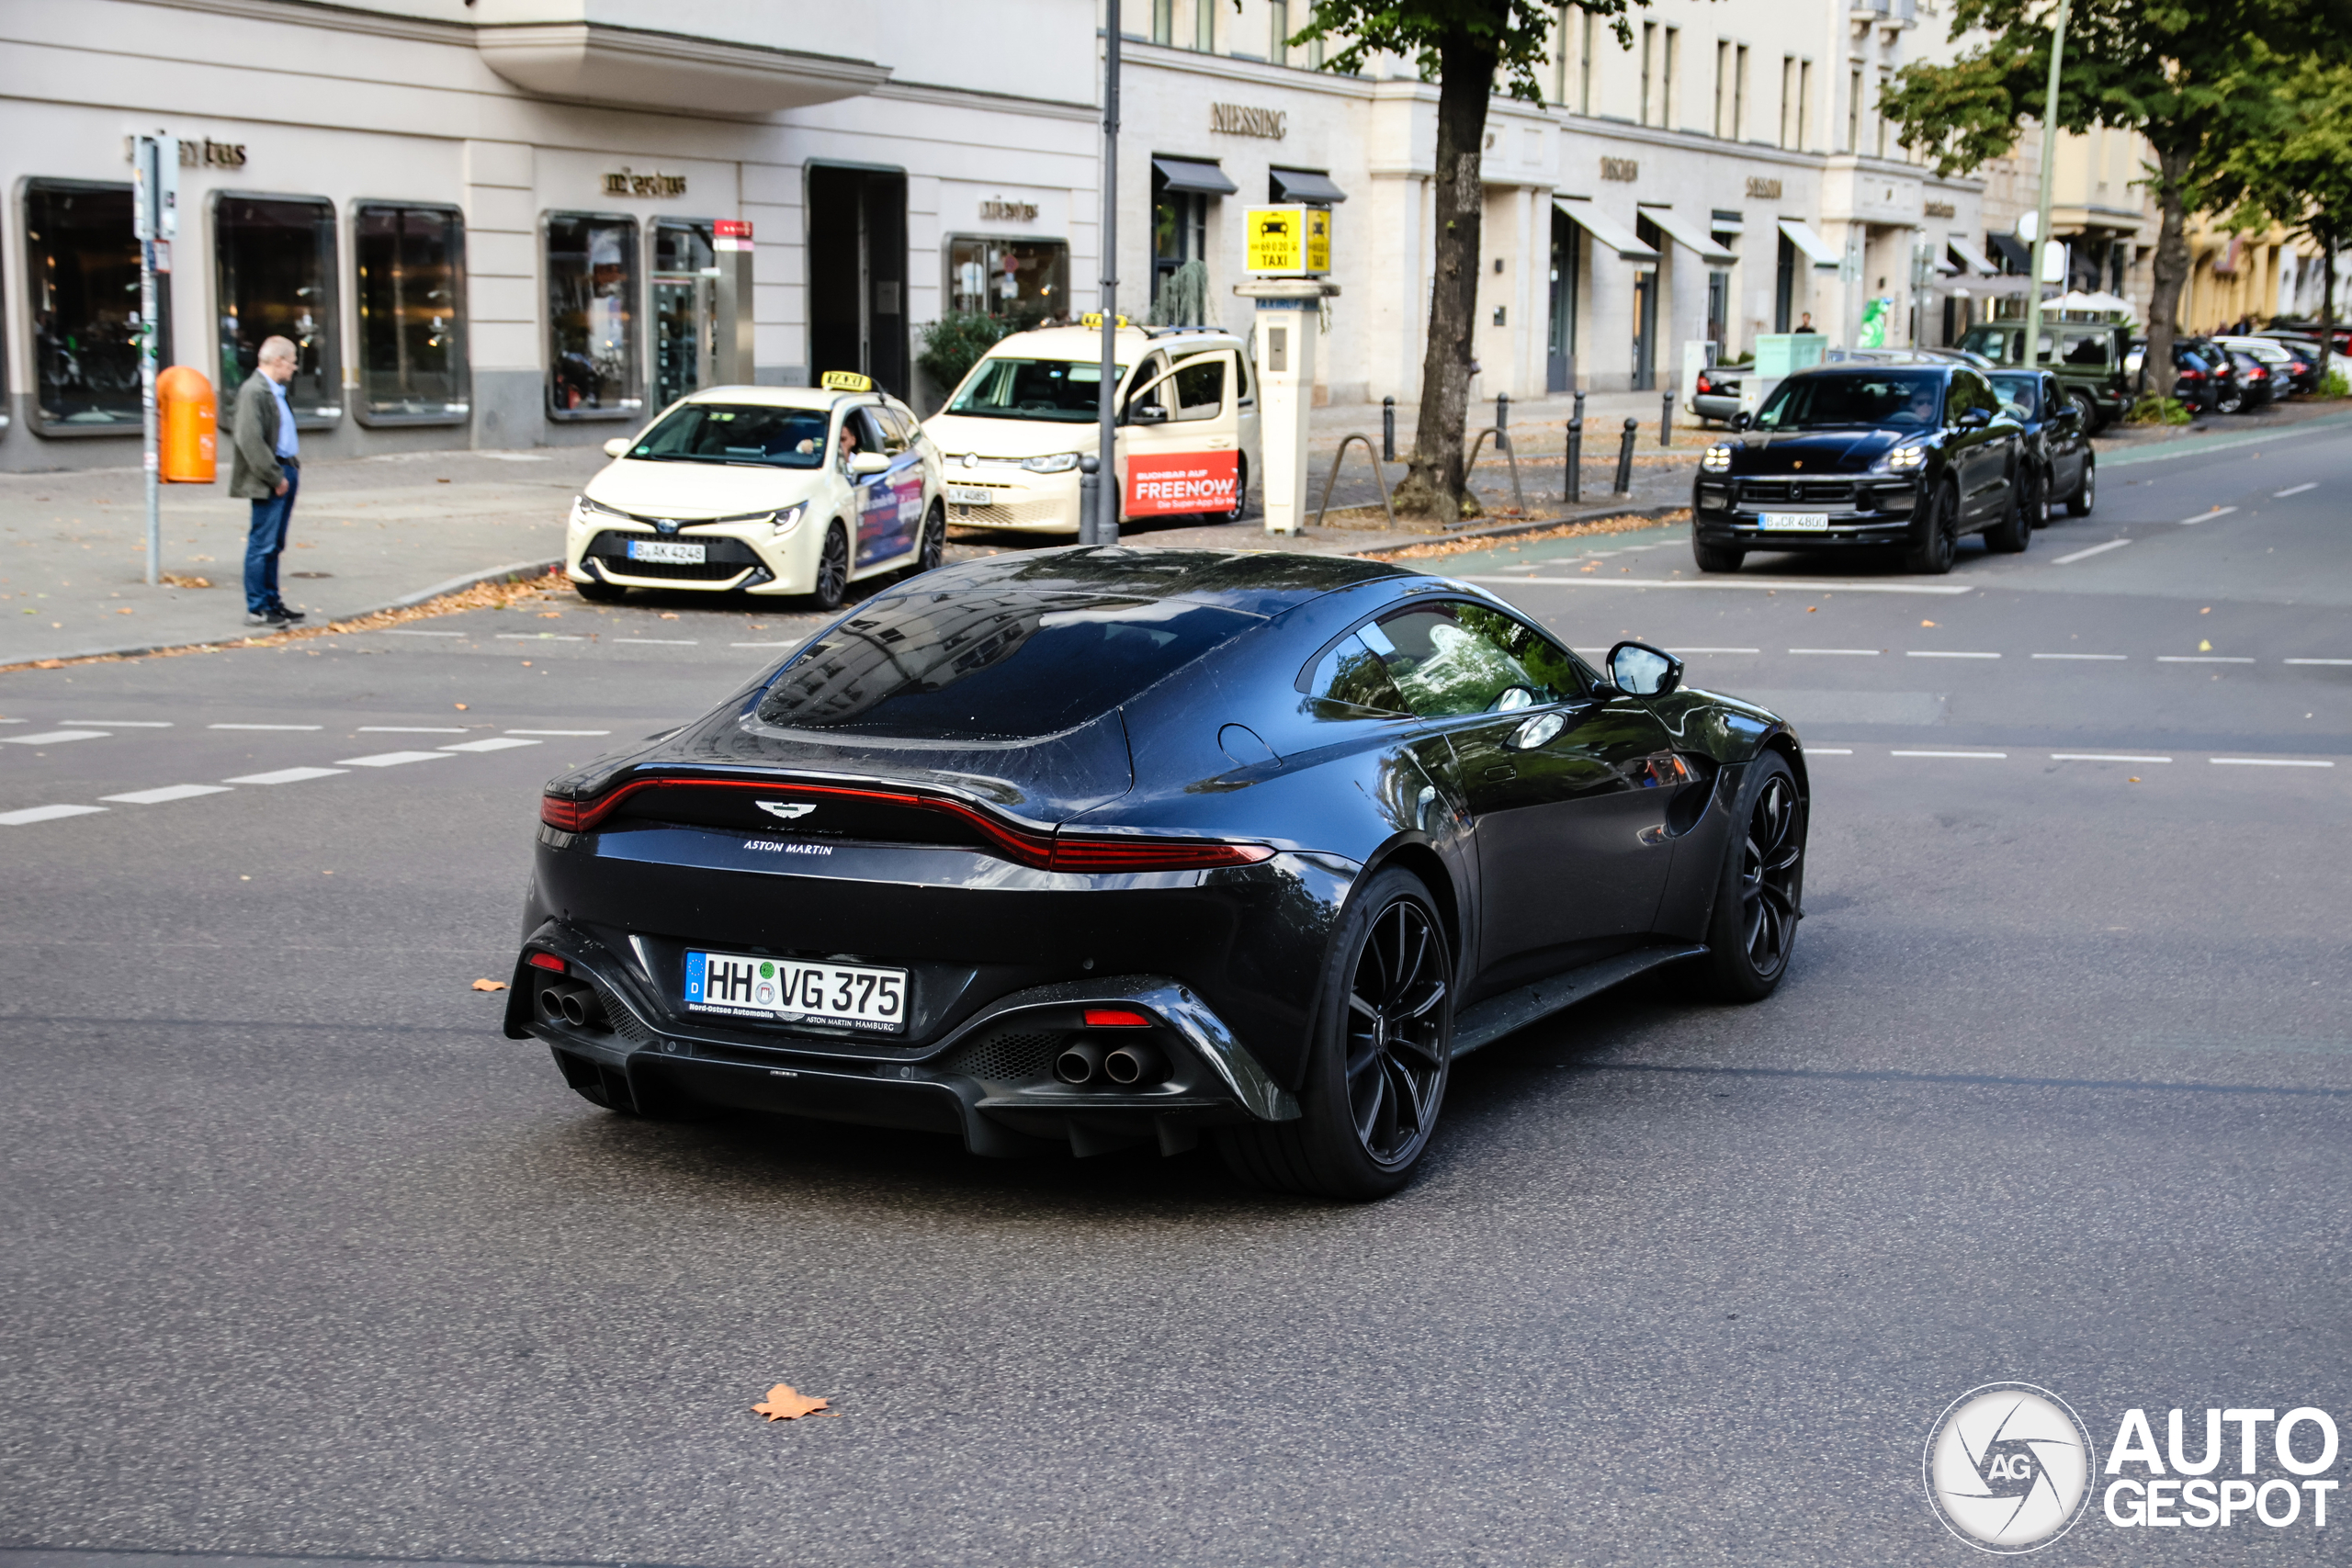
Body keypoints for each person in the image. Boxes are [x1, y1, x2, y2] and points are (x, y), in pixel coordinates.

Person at [229, 336, 306, 629]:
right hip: (272, 475)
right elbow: (250, 439)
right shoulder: (255, 392)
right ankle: (258, 607)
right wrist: (275, 476)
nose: (295, 367)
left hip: (285, 469)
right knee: (262, 543)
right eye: (292, 361)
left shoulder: (274, 391)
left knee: (274, 544)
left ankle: (272, 602)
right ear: (278, 361)